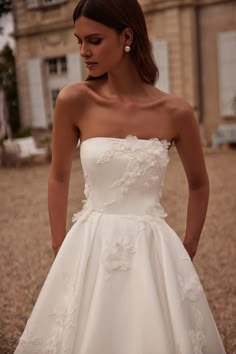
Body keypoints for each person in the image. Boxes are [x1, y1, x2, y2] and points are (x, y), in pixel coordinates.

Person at [14, 0, 226, 353]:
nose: (83, 52)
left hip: (153, 248)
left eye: (94, 41)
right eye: (78, 41)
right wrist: (58, 243)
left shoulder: (176, 111)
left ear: (126, 36)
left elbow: (200, 183)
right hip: (89, 244)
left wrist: (187, 247)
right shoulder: (74, 100)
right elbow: (58, 176)